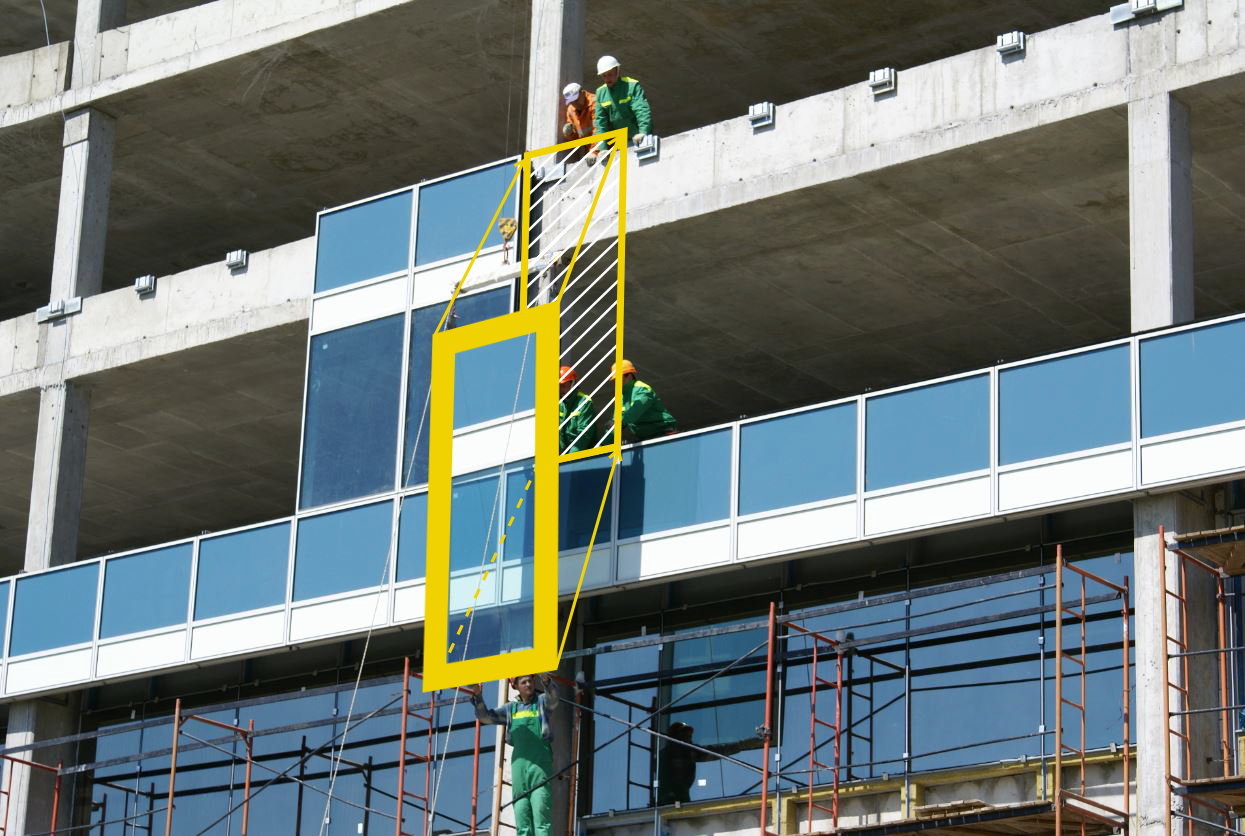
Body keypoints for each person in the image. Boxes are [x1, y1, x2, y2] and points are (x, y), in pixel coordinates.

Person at [471, 674, 560, 836]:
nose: (529, 684)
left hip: (539, 767)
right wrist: (477, 694)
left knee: (542, 820)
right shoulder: (510, 709)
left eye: (531, 681)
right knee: (522, 821)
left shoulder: (541, 702)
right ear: (515, 686)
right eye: (524, 682)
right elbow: (484, 717)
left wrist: (547, 682)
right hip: (520, 769)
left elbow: (553, 700)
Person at [657, 722, 754, 805]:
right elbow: (714, 752)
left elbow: (713, 752)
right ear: (676, 736)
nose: (689, 738)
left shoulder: (668, 753)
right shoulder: (682, 751)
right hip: (674, 798)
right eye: (686, 735)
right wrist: (741, 745)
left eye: (689, 736)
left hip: (673, 797)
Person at [587, 55, 652, 164]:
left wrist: (643, 132)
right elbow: (601, 123)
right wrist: (603, 148)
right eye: (604, 76)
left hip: (640, 138)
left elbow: (642, 110)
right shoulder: (601, 93)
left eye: (610, 74)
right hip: (621, 142)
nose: (607, 79)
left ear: (617, 71)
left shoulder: (632, 86)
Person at [612, 358, 677, 442]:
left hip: (662, 433)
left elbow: (635, 412)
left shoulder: (643, 389)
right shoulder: (621, 396)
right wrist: (603, 444)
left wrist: (619, 422)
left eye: (619, 378)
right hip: (644, 437)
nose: (616, 382)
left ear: (629, 375)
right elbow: (614, 423)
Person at [559, 365, 596, 453]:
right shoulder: (559, 404)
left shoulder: (584, 402)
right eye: (559, 386)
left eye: (564, 386)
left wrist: (571, 459)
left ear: (573, 384)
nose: (561, 390)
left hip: (584, 456)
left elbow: (584, 434)